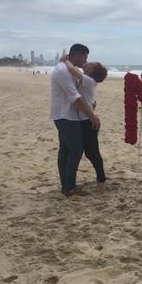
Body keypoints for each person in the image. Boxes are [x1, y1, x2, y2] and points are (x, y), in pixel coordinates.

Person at [50, 43, 100, 197]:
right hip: (65, 116)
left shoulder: (70, 69)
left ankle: (66, 185)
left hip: (68, 115)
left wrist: (91, 103)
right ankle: (69, 187)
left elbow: (80, 90)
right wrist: (92, 116)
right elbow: (75, 98)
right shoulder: (62, 71)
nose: (86, 60)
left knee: (66, 150)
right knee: (76, 150)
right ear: (77, 55)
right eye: (84, 57)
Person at [63, 57, 109, 193]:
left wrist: (64, 60)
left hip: (88, 122)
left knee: (92, 152)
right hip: (83, 120)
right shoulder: (87, 80)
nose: (87, 63)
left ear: (92, 71)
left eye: (91, 64)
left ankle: (102, 180)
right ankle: (101, 179)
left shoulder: (88, 80)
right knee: (90, 152)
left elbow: (72, 69)